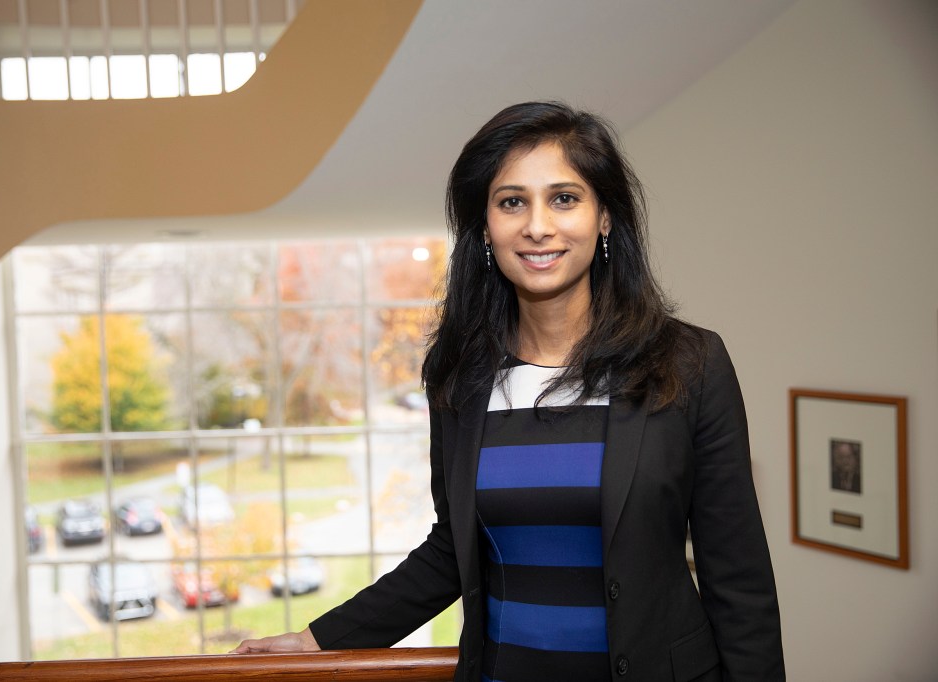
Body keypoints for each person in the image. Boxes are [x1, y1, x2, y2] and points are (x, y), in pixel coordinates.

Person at [232, 101, 784, 681]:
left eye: (564, 198)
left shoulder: (689, 363)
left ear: (605, 218)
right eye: (511, 201)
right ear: (486, 227)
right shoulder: (459, 374)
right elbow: (452, 550)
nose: (537, 225)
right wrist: (318, 639)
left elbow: (738, 576)